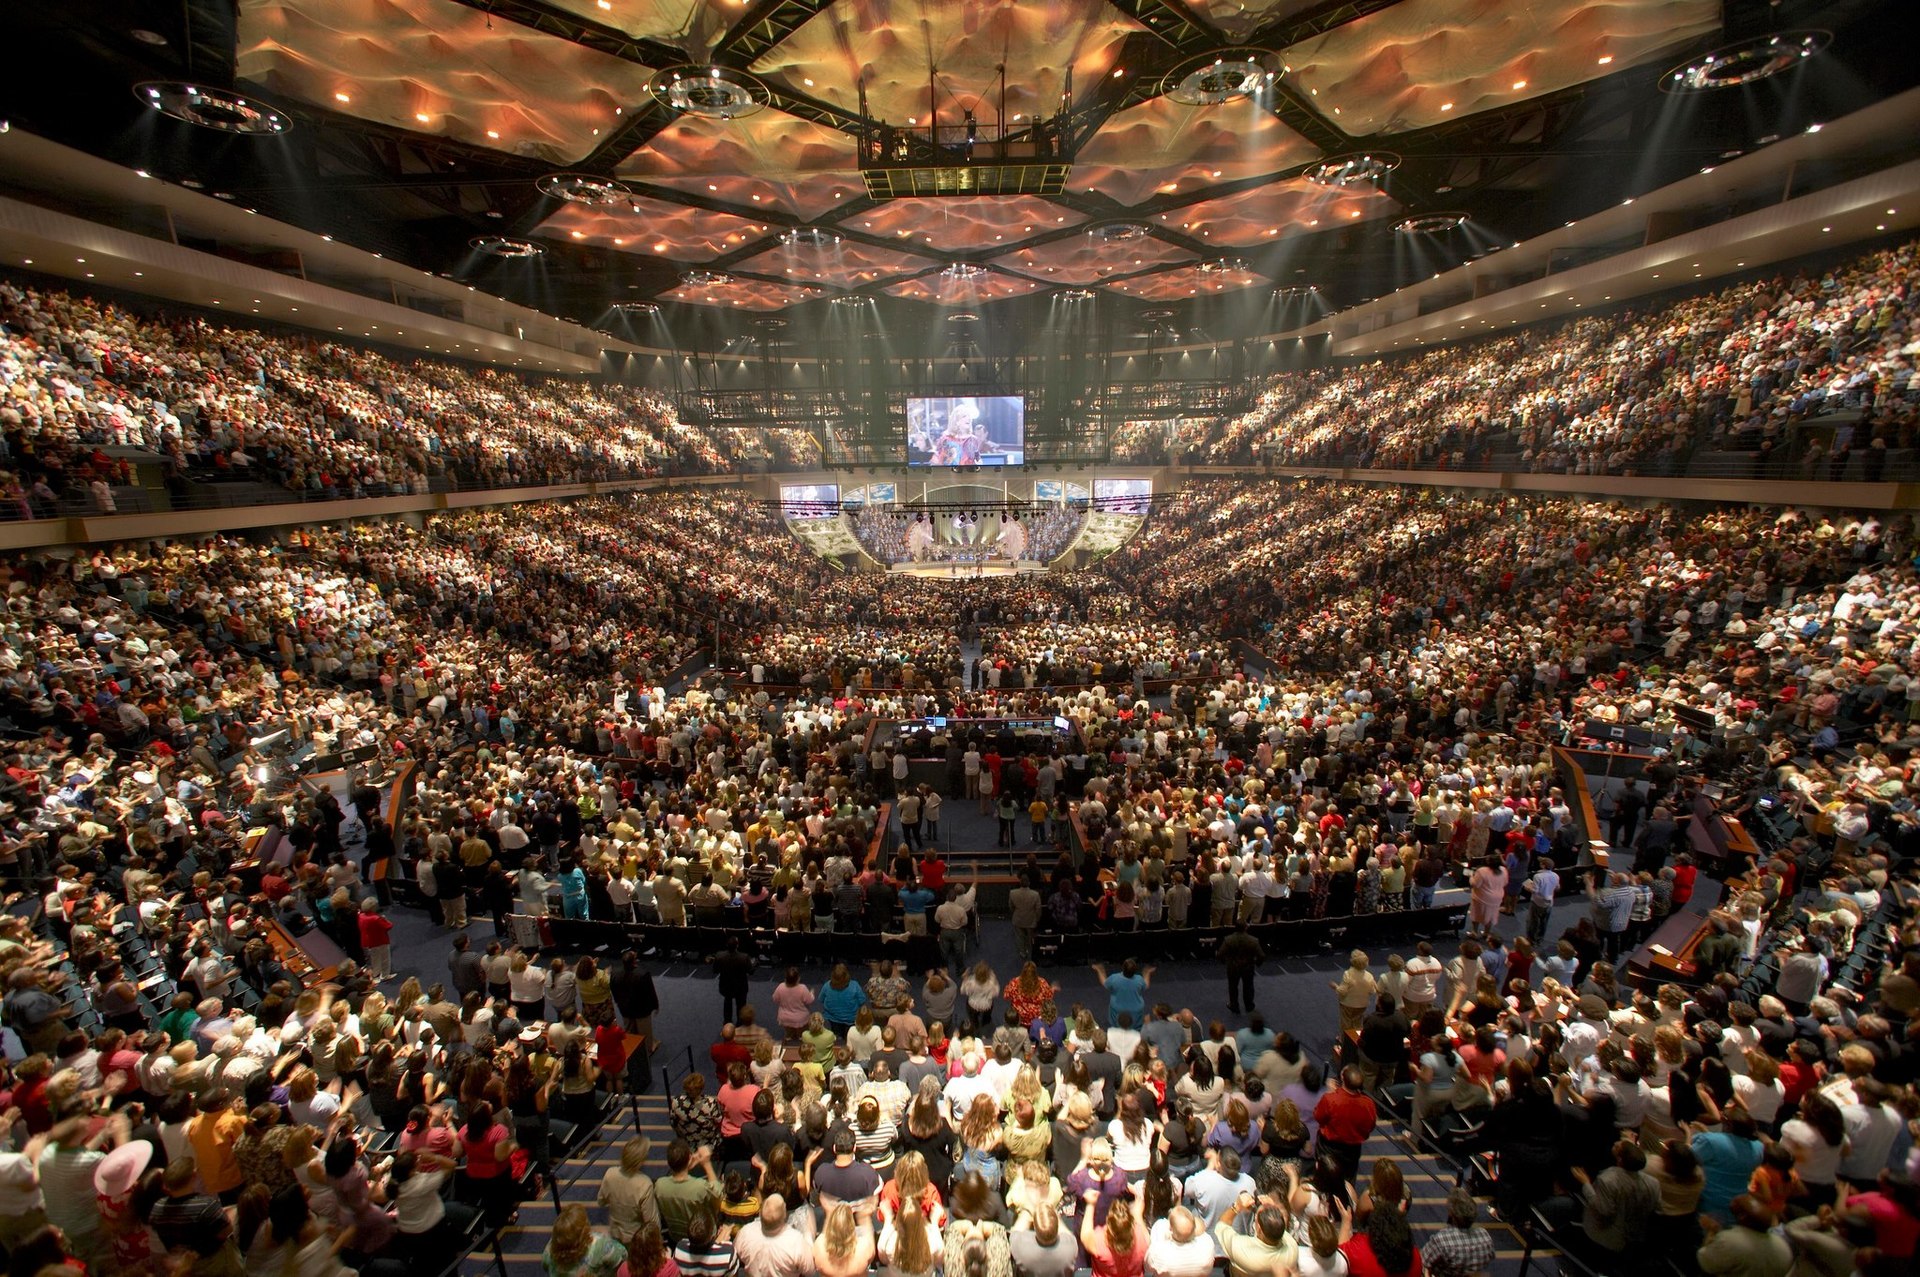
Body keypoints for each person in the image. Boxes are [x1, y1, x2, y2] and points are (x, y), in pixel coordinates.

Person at [1694, 1194, 1791, 1277]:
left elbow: (1705, 1263)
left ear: (1742, 1217)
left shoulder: (1729, 1241)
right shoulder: (1783, 1246)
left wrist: (1711, 1231)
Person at [735, 1194, 817, 1277]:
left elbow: (735, 1256)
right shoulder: (796, 1242)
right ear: (784, 1214)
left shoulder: (745, 1233)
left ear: (760, 1213)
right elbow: (810, 1271)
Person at [1423, 1188, 1496, 1277]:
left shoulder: (1442, 1240)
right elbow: (1490, 1257)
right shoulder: (1485, 1236)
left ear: (1451, 1214)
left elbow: (1425, 1261)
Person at [1216, 923, 1264, 1016]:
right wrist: (1257, 963)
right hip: (1248, 967)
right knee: (1248, 987)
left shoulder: (1228, 939)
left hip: (1233, 967)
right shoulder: (1253, 940)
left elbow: (1219, 954)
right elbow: (1261, 955)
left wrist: (1224, 962)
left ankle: (1234, 1006)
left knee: (1233, 987)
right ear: (1245, 928)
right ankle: (1249, 1006)